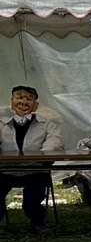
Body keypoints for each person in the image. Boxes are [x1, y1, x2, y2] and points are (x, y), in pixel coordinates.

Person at [1, 84, 63, 233]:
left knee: (33, 195)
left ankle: (38, 222)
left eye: (29, 99)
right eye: (19, 97)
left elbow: (55, 142)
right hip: (5, 170)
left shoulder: (47, 125)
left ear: (35, 105)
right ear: (12, 101)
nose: (23, 102)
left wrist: (41, 156)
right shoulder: (2, 124)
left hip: (35, 170)